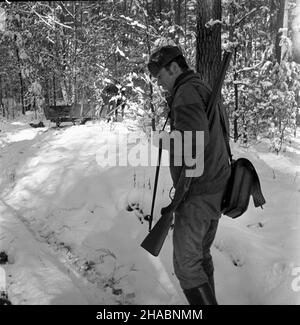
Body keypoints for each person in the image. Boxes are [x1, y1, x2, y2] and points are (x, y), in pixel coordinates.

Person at [147, 45, 231, 305]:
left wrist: (162, 140)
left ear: (174, 68)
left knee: (185, 264)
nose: (159, 84)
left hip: (198, 191)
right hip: (213, 186)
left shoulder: (185, 93)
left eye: (160, 76)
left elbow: (193, 142)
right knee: (199, 257)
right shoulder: (201, 87)